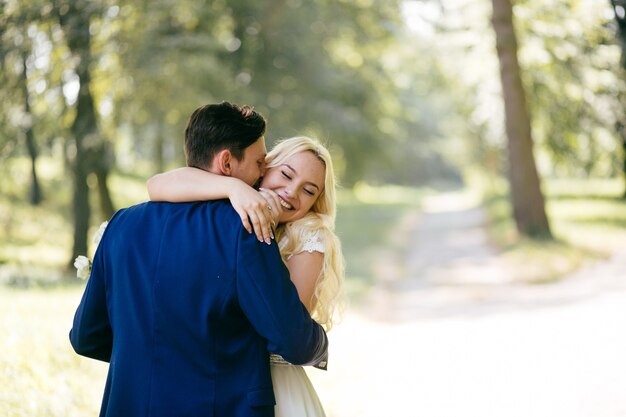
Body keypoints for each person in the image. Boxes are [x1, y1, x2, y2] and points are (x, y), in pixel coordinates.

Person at [69, 102, 329, 417]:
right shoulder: (247, 228)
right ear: (227, 163)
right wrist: (321, 346)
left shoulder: (122, 224)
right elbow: (294, 340)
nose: (264, 171)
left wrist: (148, 361)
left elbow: (85, 337)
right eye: (260, 161)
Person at [147, 135, 345, 417]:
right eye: (286, 175)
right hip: (211, 377)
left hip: (269, 385)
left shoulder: (309, 235)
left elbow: (286, 331)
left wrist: (268, 227)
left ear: (316, 201)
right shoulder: (233, 200)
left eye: (308, 191)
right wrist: (232, 187)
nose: (291, 192)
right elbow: (156, 185)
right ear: (266, 167)